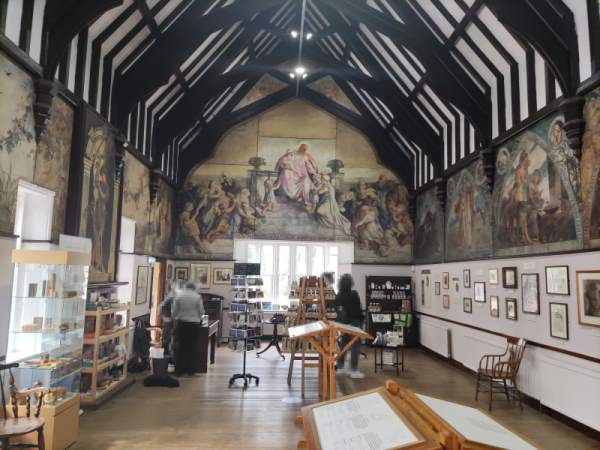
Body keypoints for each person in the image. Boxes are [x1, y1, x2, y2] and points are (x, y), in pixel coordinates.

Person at [171, 282, 206, 376]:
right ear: (194, 287)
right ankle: (190, 370)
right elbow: (201, 311)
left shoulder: (179, 296)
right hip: (193, 324)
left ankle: (179, 370)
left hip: (181, 324)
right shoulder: (197, 297)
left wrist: (177, 318)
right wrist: (199, 318)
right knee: (192, 347)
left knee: (180, 347)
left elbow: (174, 312)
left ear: (185, 287)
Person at [334, 274, 365, 379]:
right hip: (355, 323)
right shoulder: (354, 294)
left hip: (343, 324)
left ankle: (341, 367)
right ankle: (354, 370)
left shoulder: (338, 295)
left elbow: (338, 310)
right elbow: (358, 310)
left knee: (343, 344)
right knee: (355, 345)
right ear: (351, 283)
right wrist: (361, 320)